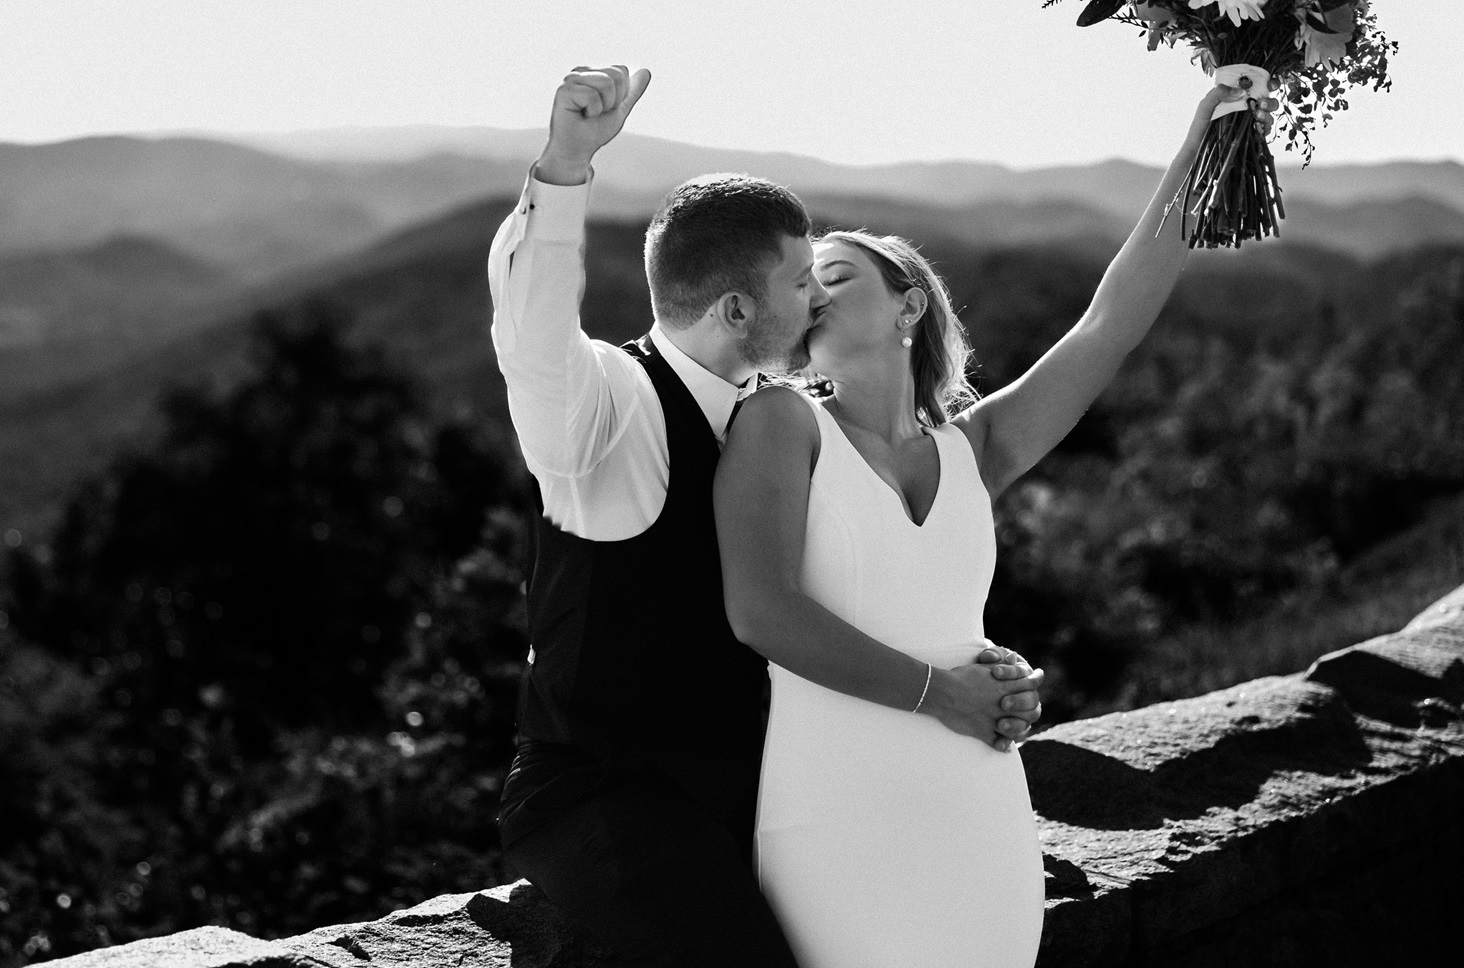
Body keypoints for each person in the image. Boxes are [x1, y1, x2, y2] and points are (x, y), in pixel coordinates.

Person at [487, 64, 1046, 967]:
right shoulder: (609, 412)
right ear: (738, 307)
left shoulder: (787, 426)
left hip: (756, 788)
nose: (817, 298)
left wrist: (969, 659)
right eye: (800, 283)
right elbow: (532, 338)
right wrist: (562, 170)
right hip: (604, 800)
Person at [714, 82, 1260, 966]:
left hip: (978, 802)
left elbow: (1109, 324)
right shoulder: (779, 421)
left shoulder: (979, 447)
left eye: (837, 275)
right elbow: (762, 614)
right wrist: (948, 693)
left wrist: (1209, 141)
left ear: (909, 307)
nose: (810, 291)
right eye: (801, 280)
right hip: (836, 805)